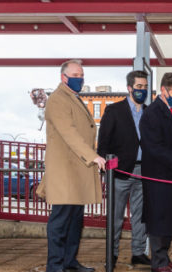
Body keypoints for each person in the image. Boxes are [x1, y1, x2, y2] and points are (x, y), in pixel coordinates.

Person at [39, 59, 105, 272]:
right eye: (76, 75)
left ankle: (69, 262)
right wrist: (92, 156)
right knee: (60, 221)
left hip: (76, 170)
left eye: (81, 74)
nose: (80, 78)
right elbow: (69, 132)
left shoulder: (72, 97)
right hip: (65, 170)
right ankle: (55, 265)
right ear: (63, 77)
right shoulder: (58, 99)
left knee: (75, 221)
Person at [97, 70, 152, 266]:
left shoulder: (149, 112)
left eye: (145, 87)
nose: (142, 90)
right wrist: (106, 167)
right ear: (129, 88)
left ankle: (138, 252)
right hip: (119, 172)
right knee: (115, 216)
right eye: (138, 87)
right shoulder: (114, 111)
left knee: (141, 216)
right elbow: (103, 143)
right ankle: (111, 254)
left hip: (143, 171)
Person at [140, 72, 172, 272]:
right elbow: (153, 147)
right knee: (158, 219)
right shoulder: (151, 114)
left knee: (170, 218)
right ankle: (158, 262)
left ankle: (165, 257)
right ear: (163, 90)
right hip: (157, 176)